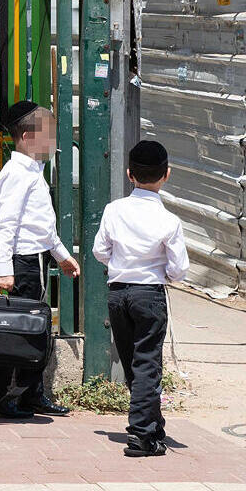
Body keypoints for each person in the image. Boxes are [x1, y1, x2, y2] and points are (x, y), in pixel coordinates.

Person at [92, 140, 190, 457]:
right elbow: (179, 269)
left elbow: (99, 251)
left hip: (118, 294)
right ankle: (141, 434)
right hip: (149, 294)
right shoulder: (169, 221)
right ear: (167, 175)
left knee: (135, 365)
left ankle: (152, 427)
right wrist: (161, 273)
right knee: (148, 363)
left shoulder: (114, 210)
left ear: (130, 174)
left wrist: (120, 266)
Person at [0, 100, 79, 419]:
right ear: (26, 137)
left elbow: (42, 225)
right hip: (22, 262)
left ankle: (29, 394)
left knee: (34, 329)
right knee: (17, 331)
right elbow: (6, 224)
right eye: (48, 134)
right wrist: (4, 270)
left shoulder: (33, 171)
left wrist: (62, 256)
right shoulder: (16, 174)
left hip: (36, 259)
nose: (53, 141)